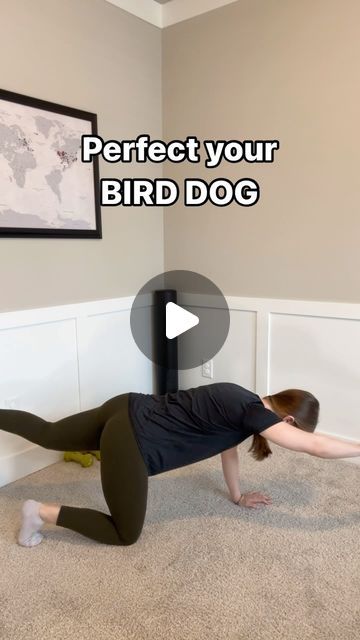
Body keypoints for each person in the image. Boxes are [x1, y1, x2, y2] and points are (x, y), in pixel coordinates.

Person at [0, 382, 359, 548]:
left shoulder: (242, 401)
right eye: (290, 430)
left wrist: (236, 497)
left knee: (48, 433)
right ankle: (39, 513)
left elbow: (227, 449)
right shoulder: (252, 413)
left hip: (124, 405)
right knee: (125, 534)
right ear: (290, 422)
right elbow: (316, 447)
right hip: (132, 441)